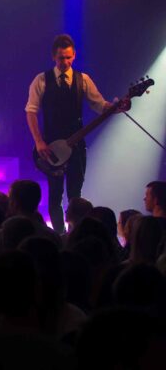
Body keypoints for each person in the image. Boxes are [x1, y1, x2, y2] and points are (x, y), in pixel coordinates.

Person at [25, 34, 126, 233]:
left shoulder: (83, 80)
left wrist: (119, 107)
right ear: (53, 57)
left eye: (68, 57)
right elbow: (31, 111)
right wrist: (39, 141)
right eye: (61, 58)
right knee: (55, 195)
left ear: (74, 56)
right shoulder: (41, 80)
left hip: (77, 145)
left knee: (75, 195)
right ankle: (59, 235)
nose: (65, 62)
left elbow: (100, 105)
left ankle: (75, 234)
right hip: (51, 146)